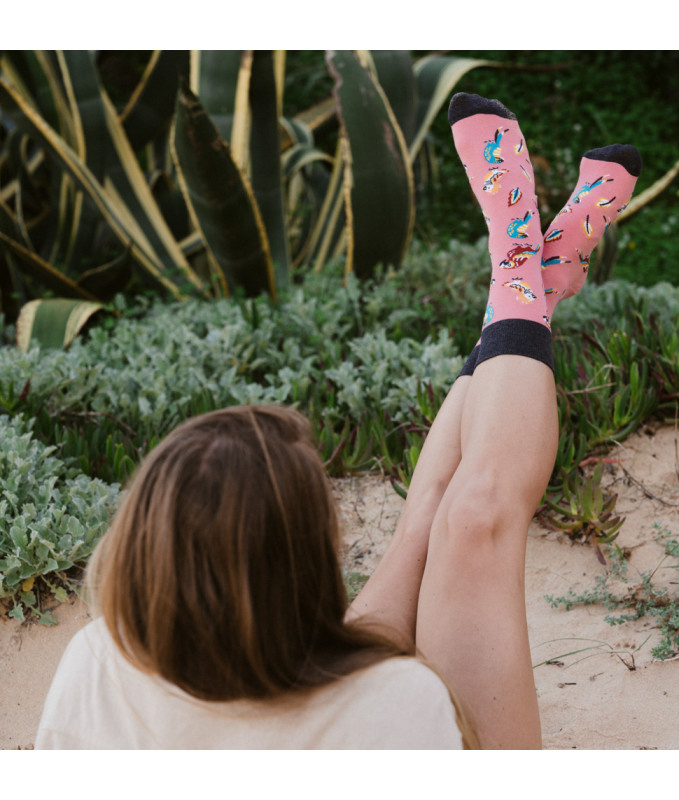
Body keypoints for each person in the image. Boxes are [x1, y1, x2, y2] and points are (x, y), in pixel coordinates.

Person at [35, 93, 640, 750]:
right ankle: (524, 275)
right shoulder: (396, 707)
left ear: (137, 556)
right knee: (476, 517)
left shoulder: (97, 666)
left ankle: (522, 275)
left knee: (430, 518)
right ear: (306, 565)